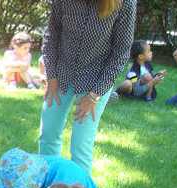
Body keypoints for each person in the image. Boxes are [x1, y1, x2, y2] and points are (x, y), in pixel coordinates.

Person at [40, 0, 136, 173]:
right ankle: (47, 186)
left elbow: (121, 53)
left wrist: (94, 95)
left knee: (81, 146)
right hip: (61, 73)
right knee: (48, 135)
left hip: (96, 79)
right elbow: (51, 36)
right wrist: (52, 77)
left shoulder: (125, 3)